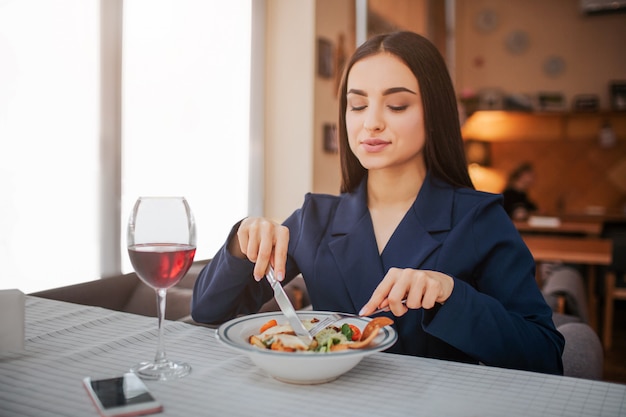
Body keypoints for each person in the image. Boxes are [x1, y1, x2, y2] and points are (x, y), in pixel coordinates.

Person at [192, 31, 564, 375]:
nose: (371, 123)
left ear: (434, 114)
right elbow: (208, 311)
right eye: (357, 105)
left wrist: (451, 295)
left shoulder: (479, 219)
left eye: (397, 106)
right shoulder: (314, 218)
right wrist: (241, 244)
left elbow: (545, 355)